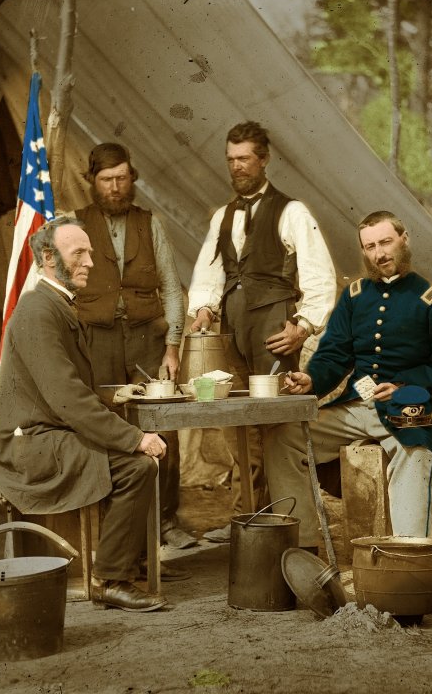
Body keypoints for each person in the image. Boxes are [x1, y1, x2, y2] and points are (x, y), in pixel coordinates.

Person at [0, 216, 168, 612]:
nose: (89, 262)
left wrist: (113, 395)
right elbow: (66, 398)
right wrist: (136, 439)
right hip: (31, 446)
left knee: (132, 460)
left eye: (89, 252)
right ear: (49, 258)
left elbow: (65, 390)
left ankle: (123, 565)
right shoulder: (37, 311)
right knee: (138, 466)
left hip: (48, 435)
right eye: (78, 253)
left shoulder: (56, 305)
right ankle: (112, 579)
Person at [187, 121, 337, 549]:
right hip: (232, 335)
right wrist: (203, 309)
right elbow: (209, 274)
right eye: (231, 160)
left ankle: (288, 524)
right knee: (240, 429)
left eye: (245, 159)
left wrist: (303, 327)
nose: (237, 167)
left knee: (275, 428)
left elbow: (320, 278)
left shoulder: (292, 212)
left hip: (274, 332)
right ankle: (248, 520)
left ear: (264, 159)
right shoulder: (223, 216)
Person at [284, 210, 432, 539]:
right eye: (370, 247)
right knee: (284, 437)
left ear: (404, 240)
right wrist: (312, 379)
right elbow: (335, 353)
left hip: (409, 409)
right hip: (355, 407)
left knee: (414, 453)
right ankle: (303, 544)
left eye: (385, 242)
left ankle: (408, 554)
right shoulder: (354, 297)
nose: (379, 253)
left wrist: (404, 384)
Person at [74, 142, 197, 554]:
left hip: (147, 339)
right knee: (103, 426)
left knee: (162, 424)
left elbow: (172, 288)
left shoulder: (150, 224)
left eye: (122, 178)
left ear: (132, 178)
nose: (115, 187)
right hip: (97, 341)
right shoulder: (74, 225)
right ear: (92, 181)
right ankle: (114, 520)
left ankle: (165, 520)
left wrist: (173, 345)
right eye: (107, 180)